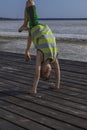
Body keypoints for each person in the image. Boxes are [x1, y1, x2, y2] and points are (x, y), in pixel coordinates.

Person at [18, 0, 60, 94]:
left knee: (29, 2)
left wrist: (34, 89)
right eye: (49, 72)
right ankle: (24, 26)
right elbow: (58, 70)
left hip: (36, 28)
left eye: (44, 72)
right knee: (29, 4)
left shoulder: (40, 55)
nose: (48, 70)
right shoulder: (53, 57)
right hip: (39, 29)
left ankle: (24, 26)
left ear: (42, 68)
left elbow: (37, 72)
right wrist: (57, 85)